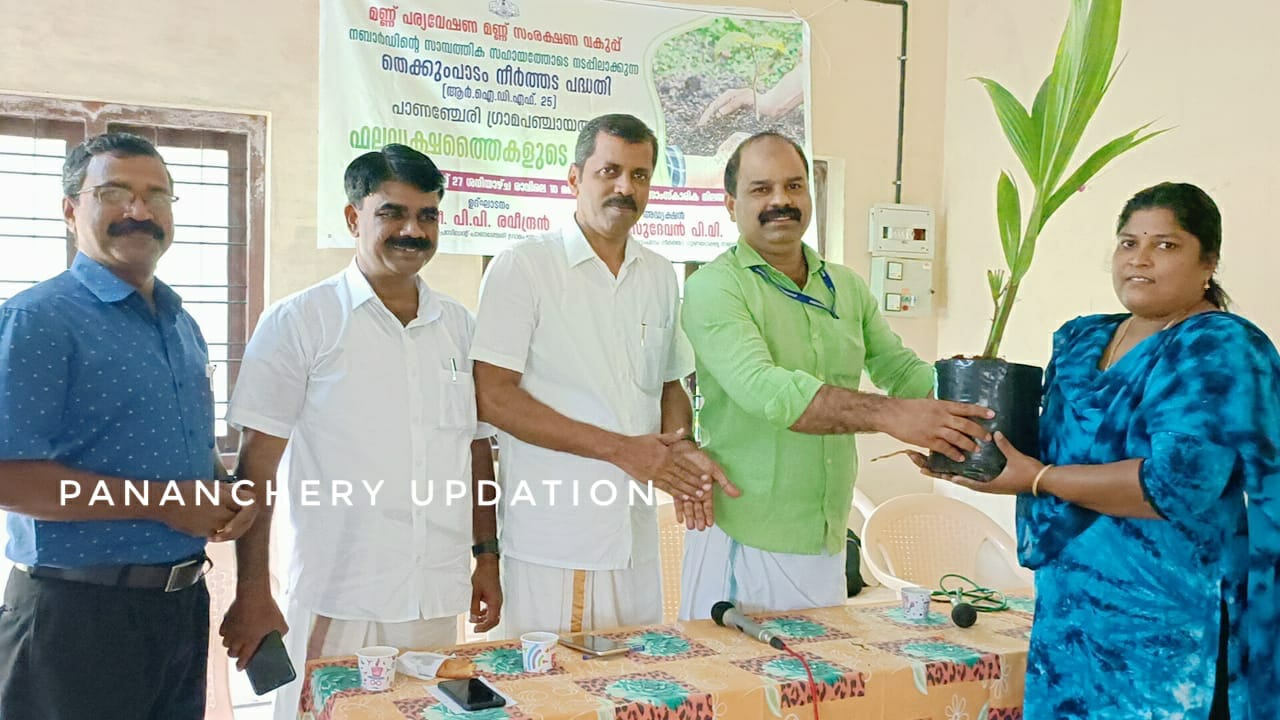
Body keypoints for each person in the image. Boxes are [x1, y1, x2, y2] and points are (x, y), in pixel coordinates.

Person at [915, 182, 1280, 718]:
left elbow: (1174, 487)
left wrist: (1037, 479)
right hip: (1071, 613)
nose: (1140, 259)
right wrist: (964, 448)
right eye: (1129, 242)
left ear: (1209, 262)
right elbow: (1048, 448)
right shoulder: (1081, 340)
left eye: (1165, 245)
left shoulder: (1217, 346)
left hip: (1169, 626)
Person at [219, 145, 501, 720]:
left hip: (432, 598)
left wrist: (488, 558)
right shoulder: (301, 321)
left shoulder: (460, 328)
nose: (413, 231)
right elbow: (257, 469)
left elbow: (475, 450)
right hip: (340, 596)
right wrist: (252, 590)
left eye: (427, 215)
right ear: (354, 217)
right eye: (392, 213)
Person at [679, 132, 992, 619]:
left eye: (794, 186)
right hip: (746, 536)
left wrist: (975, 400)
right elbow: (767, 391)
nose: (781, 201)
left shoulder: (844, 286)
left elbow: (899, 368)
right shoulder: (715, 287)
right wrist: (892, 416)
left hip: (825, 538)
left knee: (821, 670)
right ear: (731, 204)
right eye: (761, 189)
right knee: (746, 669)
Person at [0, 132, 255, 718]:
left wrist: (223, 493)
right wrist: (165, 503)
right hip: (77, 618)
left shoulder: (180, 323)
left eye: (156, 195)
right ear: (71, 210)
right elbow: (8, 477)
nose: (139, 211)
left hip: (179, 608)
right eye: (114, 193)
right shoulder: (37, 320)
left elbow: (176, 449)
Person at [471, 113, 736, 638]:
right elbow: (493, 397)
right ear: (574, 178)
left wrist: (681, 450)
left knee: (632, 675)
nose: (625, 188)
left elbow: (669, 384)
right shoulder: (524, 267)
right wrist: (621, 450)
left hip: (634, 537)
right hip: (557, 540)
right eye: (609, 171)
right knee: (552, 682)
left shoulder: (658, 273)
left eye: (639, 175)